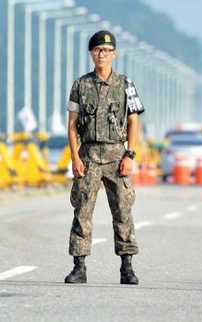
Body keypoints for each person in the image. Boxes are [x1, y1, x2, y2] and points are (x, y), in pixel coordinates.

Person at [64, 30, 144, 285]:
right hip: (88, 156)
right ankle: (79, 266)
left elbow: (133, 121)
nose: (102, 54)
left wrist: (130, 154)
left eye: (107, 50)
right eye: (98, 50)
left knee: (123, 211)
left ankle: (127, 266)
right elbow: (72, 124)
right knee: (82, 211)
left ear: (115, 54)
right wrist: (75, 158)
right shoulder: (80, 85)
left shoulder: (126, 84)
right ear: (91, 53)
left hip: (116, 157)